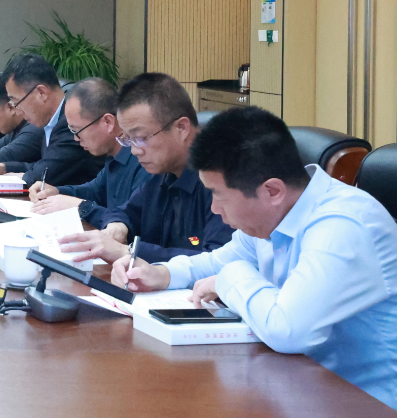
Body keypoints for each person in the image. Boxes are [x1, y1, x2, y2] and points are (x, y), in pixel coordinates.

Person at [115, 107, 397, 409]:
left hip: (362, 403)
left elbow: (286, 329)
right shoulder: (275, 213)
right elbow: (218, 261)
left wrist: (230, 278)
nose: (214, 209)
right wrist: (161, 273)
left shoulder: (343, 226)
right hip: (295, 386)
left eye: (218, 195)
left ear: (272, 191)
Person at [60, 72, 233, 264]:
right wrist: (118, 225)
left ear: (181, 128)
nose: (134, 150)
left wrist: (130, 251)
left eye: (141, 138)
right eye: (128, 139)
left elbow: (216, 263)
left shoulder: (224, 180)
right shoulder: (162, 173)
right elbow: (127, 211)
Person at [29, 77, 152, 227]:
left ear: (108, 122)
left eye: (77, 130)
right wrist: (56, 192)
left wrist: (80, 206)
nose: (76, 138)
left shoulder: (144, 161)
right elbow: (94, 190)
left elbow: (130, 221)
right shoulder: (114, 155)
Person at [2, 53, 104, 186]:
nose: (18, 111)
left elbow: (44, 175)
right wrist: (3, 167)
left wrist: (10, 174)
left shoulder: (71, 123)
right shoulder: (52, 119)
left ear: (41, 93)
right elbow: (47, 164)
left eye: (17, 102)